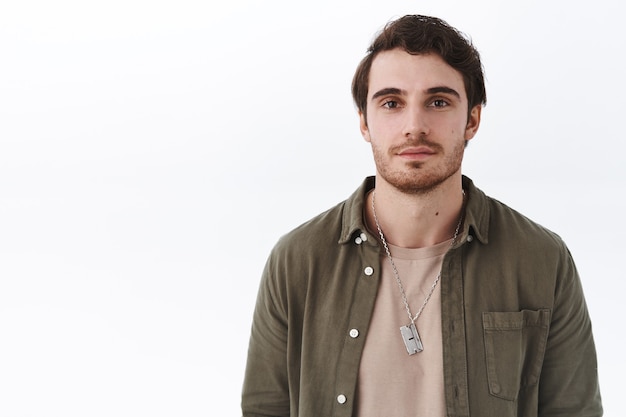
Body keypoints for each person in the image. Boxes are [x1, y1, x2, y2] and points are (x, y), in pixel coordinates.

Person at [241, 14, 602, 417]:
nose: (415, 126)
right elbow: (263, 408)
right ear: (364, 121)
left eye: (438, 101)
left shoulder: (541, 260)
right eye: (391, 103)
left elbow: (575, 410)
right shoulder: (298, 260)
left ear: (472, 119)